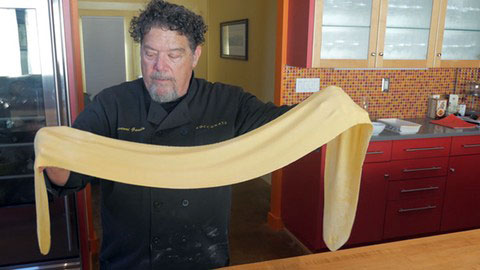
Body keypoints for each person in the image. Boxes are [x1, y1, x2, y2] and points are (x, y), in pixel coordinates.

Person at [44, 0, 290, 269]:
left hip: (203, 258)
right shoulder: (111, 105)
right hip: (129, 261)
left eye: (173, 55)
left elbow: (286, 125)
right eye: (150, 54)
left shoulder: (227, 102)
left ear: (195, 55)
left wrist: (330, 109)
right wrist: (54, 157)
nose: (159, 67)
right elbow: (72, 171)